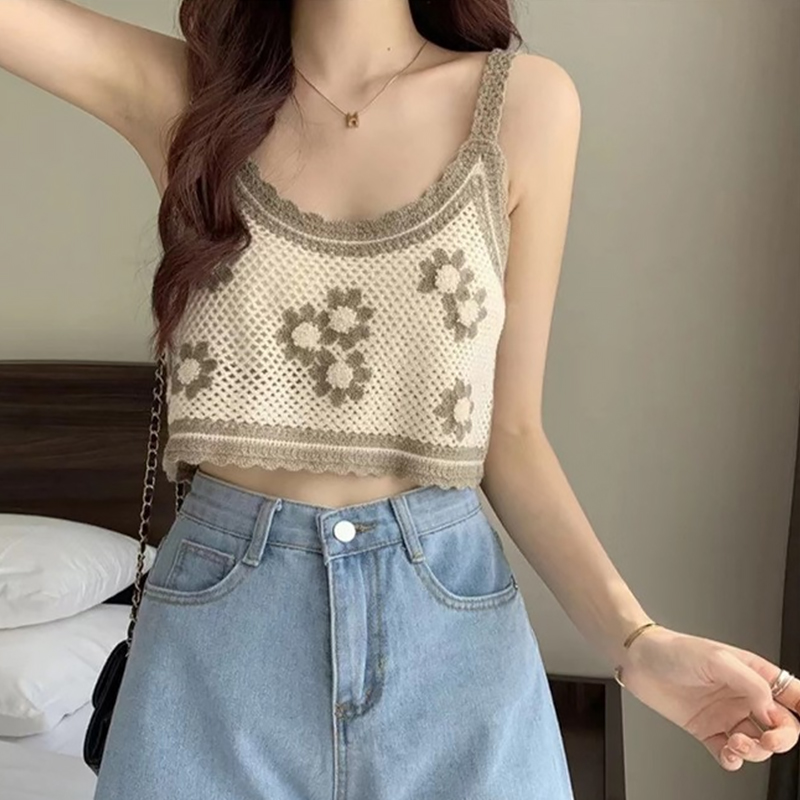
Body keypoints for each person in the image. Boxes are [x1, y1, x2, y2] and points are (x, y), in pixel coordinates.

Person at [3, 1, 799, 797]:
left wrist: (638, 641)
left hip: (450, 641)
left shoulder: (525, 105)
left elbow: (511, 436)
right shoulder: (183, 95)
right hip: (215, 647)